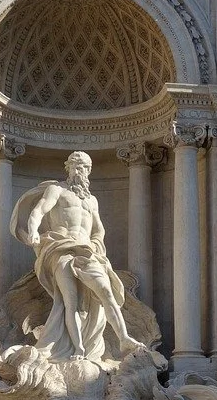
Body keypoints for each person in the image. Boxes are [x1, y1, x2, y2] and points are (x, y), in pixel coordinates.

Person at [10, 151, 147, 361]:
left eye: (83, 166)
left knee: (106, 292)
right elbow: (38, 211)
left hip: (87, 252)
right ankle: (79, 349)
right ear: (68, 168)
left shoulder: (92, 201)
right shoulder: (56, 190)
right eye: (75, 166)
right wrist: (33, 232)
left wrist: (95, 245)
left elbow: (99, 229)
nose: (79, 170)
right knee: (69, 302)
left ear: (89, 170)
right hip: (61, 249)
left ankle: (124, 338)